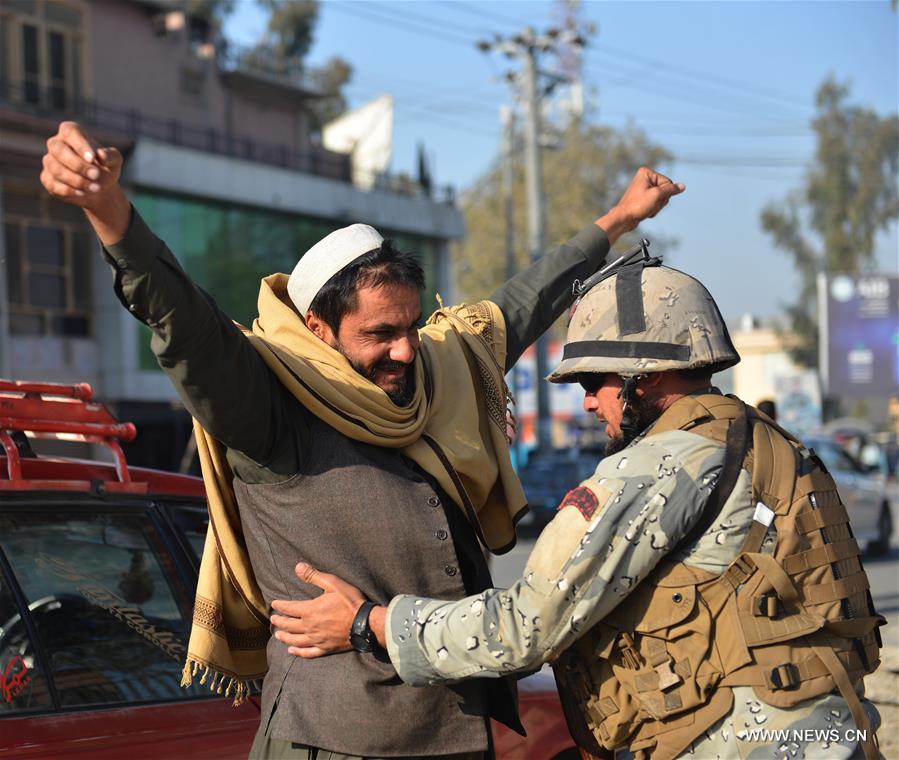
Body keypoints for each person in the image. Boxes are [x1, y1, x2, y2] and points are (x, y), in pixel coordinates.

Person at [40, 120, 685, 760]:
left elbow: (522, 301)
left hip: (457, 732)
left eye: (409, 324)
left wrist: (618, 220)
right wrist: (109, 211)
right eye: (380, 334)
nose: (406, 349)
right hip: (334, 740)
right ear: (319, 327)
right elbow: (185, 323)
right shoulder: (269, 406)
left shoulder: (444, 368)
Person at [271, 257, 885, 759]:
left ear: (642, 376)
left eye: (595, 382)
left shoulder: (661, 464)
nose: (590, 404)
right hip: (827, 729)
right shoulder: (774, 444)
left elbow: (525, 626)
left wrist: (370, 624)